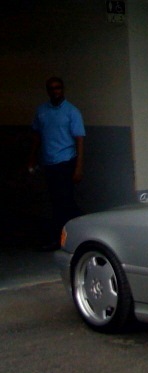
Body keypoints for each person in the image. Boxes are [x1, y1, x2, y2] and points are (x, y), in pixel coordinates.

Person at [28, 76, 85, 250]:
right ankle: (65, 237)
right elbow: (37, 136)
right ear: (48, 91)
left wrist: (79, 167)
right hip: (49, 162)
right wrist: (31, 158)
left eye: (58, 88)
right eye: (52, 88)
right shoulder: (41, 111)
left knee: (65, 201)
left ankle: (69, 238)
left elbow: (80, 139)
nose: (55, 91)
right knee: (56, 202)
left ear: (63, 89)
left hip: (66, 161)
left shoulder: (71, 111)